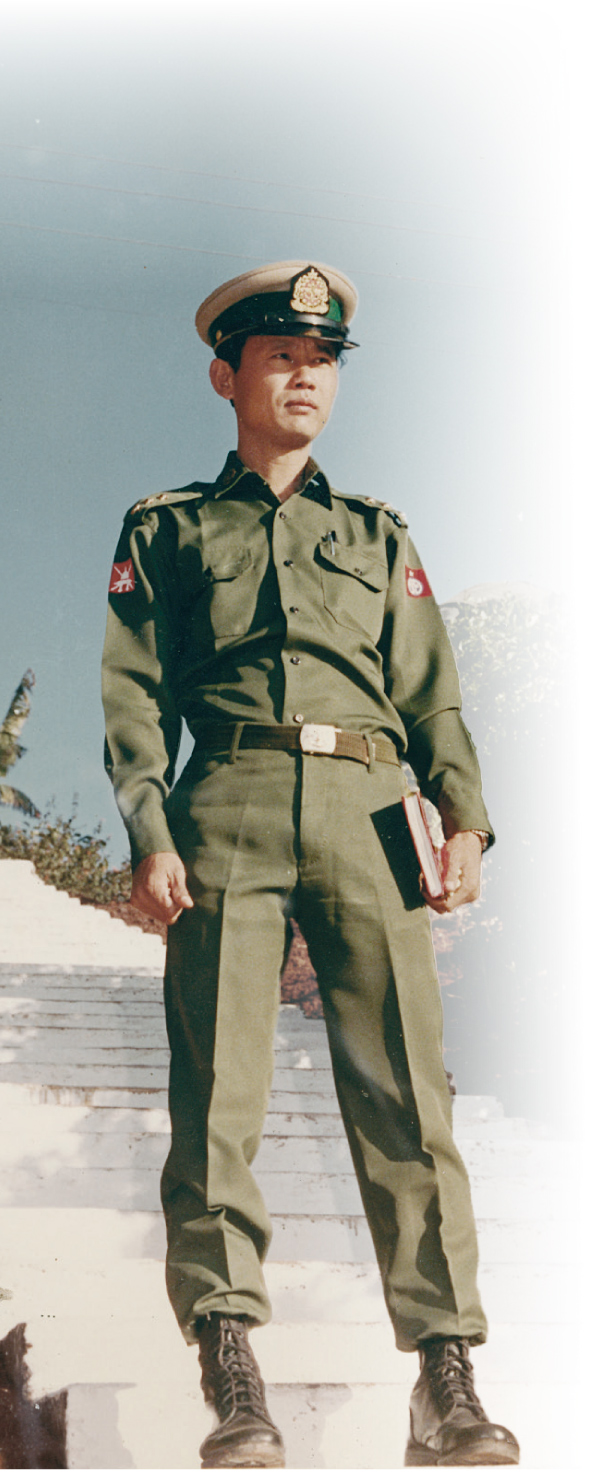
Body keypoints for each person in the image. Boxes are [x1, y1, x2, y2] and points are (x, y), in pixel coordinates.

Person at [102, 260, 520, 1469]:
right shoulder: (169, 527)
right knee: (218, 1092)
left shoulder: (379, 534)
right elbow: (134, 692)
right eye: (280, 356)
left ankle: (445, 1377)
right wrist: (150, 829)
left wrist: (466, 817)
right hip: (227, 798)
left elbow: (433, 695)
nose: (304, 377)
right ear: (225, 376)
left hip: (371, 809)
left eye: (322, 360)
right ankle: (232, 1371)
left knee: (409, 1096)